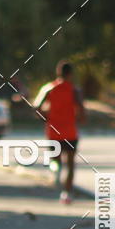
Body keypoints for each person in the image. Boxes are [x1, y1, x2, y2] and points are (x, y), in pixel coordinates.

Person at [33, 61, 85, 204]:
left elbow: (36, 107)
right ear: (71, 74)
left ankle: (55, 173)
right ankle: (66, 194)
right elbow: (81, 110)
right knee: (71, 165)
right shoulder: (75, 91)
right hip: (70, 132)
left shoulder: (48, 89)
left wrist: (46, 118)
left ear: (58, 73)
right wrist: (79, 120)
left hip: (53, 132)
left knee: (55, 160)